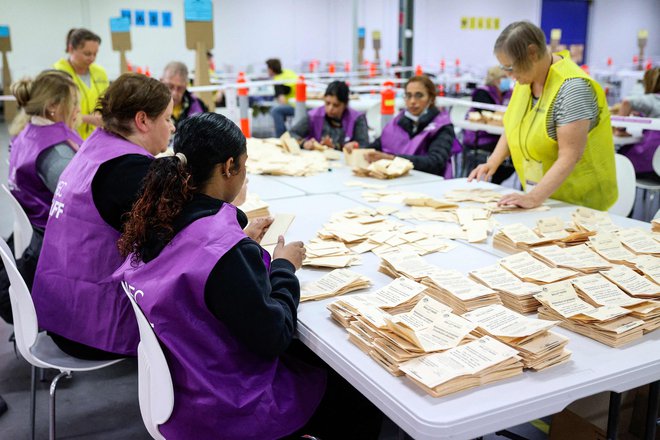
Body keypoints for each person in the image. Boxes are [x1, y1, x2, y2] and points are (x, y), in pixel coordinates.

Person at [115, 113, 382, 439]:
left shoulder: (160, 219)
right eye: (245, 165)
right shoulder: (227, 253)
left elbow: (198, 260)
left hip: (181, 388)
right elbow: (276, 335)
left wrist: (238, 241)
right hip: (228, 408)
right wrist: (284, 266)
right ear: (229, 167)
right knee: (360, 398)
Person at [32, 73, 175, 360]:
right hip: (92, 328)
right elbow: (176, 241)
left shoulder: (96, 147)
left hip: (60, 311)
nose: (172, 128)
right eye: (168, 118)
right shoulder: (128, 171)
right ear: (143, 120)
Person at [468, 21, 617, 210]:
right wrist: (493, 162)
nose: (509, 75)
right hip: (542, 197)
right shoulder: (525, 81)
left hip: (577, 203)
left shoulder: (572, 88)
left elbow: (570, 155)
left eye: (511, 68)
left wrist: (533, 198)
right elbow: (514, 126)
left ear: (532, 53)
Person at [0, 70, 82, 325]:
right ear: (54, 107)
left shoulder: (25, 133)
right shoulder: (55, 153)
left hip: (34, 235)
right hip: (54, 247)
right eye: (74, 103)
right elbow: (81, 201)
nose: (79, 109)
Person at [366, 75, 458, 176]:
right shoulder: (398, 122)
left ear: (431, 98)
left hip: (427, 184)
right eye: (408, 95)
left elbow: (435, 162)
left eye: (419, 95)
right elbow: (377, 146)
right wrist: (358, 147)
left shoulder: (442, 127)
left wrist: (393, 159)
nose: (412, 101)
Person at [462, 66, 515, 184]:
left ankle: (496, 182)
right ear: (496, 79)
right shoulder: (482, 92)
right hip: (481, 138)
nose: (509, 80)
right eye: (505, 77)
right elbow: (489, 116)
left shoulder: (509, 93)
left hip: (498, 136)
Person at [54, 28, 109, 139]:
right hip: (70, 137)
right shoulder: (59, 75)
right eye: (87, 54)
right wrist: (88, 119)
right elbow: (56, 112)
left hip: (98, 138)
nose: (92, 58)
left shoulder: (100, 73)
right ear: (71, 49)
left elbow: (107, 101)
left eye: (95, 54)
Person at [289, 80, 369, 150]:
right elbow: (291, 134)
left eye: (336, 105)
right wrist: (304, 143)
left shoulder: (357, 119)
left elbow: (364, 145)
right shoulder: (314, 116)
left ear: (345, 105)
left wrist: (351, 146)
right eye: (327, 103)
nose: (330, 108)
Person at [615, 67, 660, 177]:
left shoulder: (653, 99)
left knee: (617, 157)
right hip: (657, 166)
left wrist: (620, 129)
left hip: (648, 162)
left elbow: (627, 102)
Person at [161, 61, 208, 128]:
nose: (174, 93)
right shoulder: (152, 106)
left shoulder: (197, 105)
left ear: (186, 85)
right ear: (161, 81)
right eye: (170, 86)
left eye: (180, 88)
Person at [267, 58, 298, 136]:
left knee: (275, 111)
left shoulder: (278, 81)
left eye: (268, 68)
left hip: (295, 107)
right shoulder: (288, 72)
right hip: (303, 104)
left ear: (271, 69)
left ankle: (281, 137)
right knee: (278, 110)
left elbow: (282, 101)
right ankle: (286, 135)